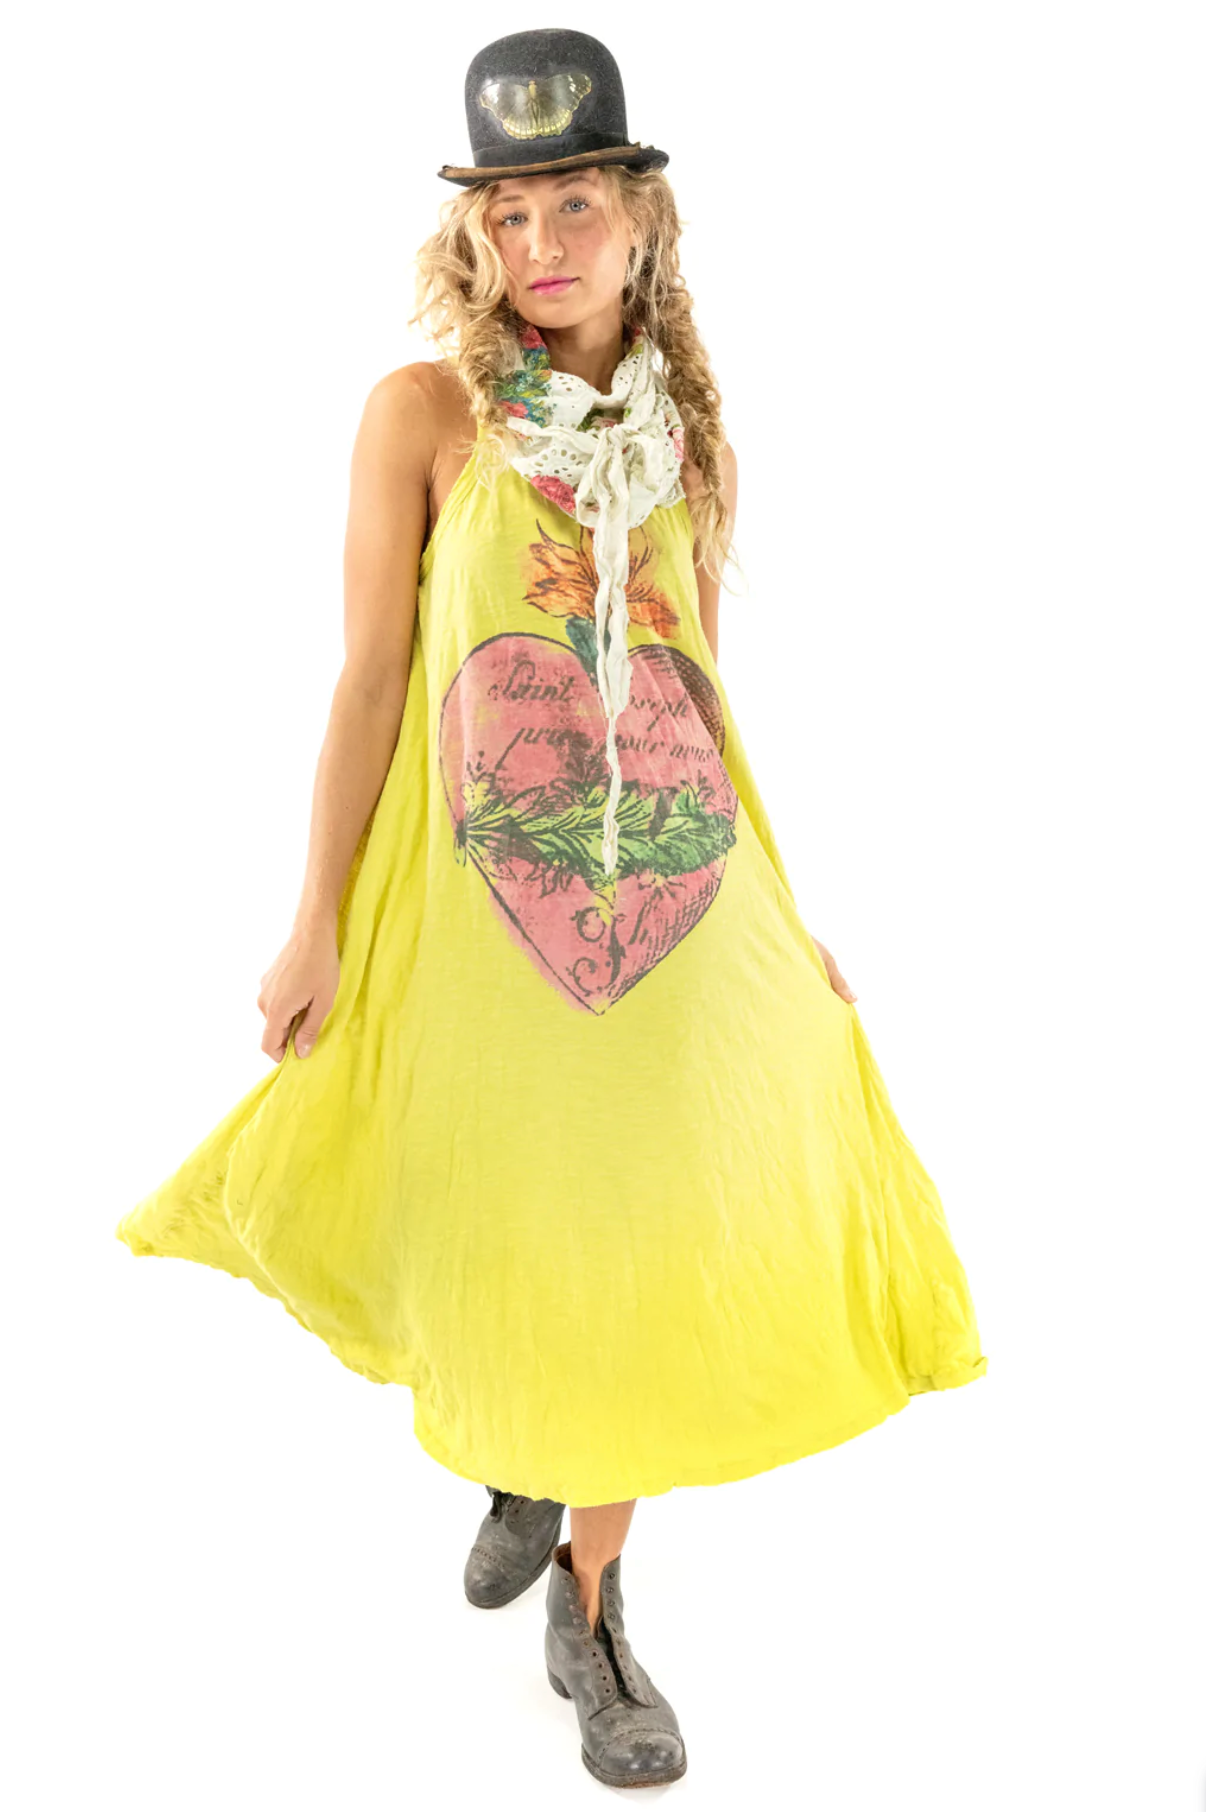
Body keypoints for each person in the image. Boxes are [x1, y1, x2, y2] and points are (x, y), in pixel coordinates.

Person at [116, 28, 988, 1791]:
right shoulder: (423, 415)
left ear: (643, 219)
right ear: (475, 236)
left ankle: (590, 1610)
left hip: (666, 897)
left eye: (574, 204)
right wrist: (312, 917)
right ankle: (520, 1446)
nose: (541, 244)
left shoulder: (693, 444)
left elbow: (694, 697)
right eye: (507, 215)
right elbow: (373, 678)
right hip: (476, 894)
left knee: (641, 1229)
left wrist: (782, 909)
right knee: (504, 1202)